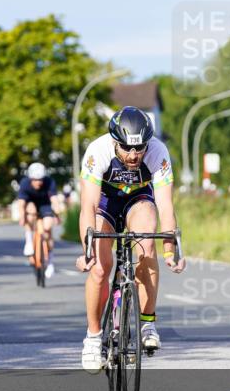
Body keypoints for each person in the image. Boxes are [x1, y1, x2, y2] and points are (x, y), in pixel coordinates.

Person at [76, 106, 186, 374]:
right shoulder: (97, 150)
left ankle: (147, 323)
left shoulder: (158, 152)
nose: (135, 155)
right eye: (127, 148)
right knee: (101, 268)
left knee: (147, 244)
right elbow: (88, 206)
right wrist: (87, 251)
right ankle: (92, 337)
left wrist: (170, 250)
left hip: (139, 200)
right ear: (115, 141)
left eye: (140, 149)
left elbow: (166, 206)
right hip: (105, 202)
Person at [17, 162, 63, 277]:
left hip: (44, 205)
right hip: (31, 204)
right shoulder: (24, 184)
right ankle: (29, 240)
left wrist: (57, 215)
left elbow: (54, 201)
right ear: (30, 179)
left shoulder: (49, 182)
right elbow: (21, 204)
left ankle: (50, 262)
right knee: (30, 211)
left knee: (47, 228)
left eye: (40, 180)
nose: (38, 182)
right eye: (35, 180)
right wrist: (22, 217)